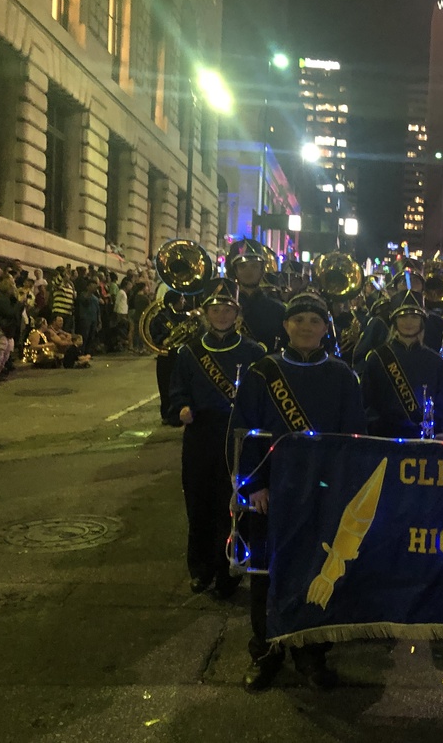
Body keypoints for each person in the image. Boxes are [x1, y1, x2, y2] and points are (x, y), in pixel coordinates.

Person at [230, 291, 366, 692]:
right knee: (265, 572)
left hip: (322, 492)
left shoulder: (343, 374)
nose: (306, 326)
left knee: (316, 571)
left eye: (315, 320)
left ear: (326, 328)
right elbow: (243, 433)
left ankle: (311, 652)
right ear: (286, 325)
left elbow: (352, 438)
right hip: (271, 491)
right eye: (299, 319)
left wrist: (341, 489)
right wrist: (253, 486)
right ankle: (265, 650)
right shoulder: (261, 371)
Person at [170, 278, 265, 601]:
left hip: (239, 435)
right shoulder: (190, 352)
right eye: (216, 309)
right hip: (202, 435)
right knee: (199, 502)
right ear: (206, 313)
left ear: (237, 313)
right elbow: (177, 390)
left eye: (227, 309)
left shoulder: (254, 352)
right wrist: (181, 407)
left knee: (235, 503)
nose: (222, 314)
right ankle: (201, 569)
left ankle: (230, 570)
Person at [361, 289, 443, 439]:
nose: (408, 322)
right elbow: (366, 406)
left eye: (414, 317)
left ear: (422, 322)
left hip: (425, 444)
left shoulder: (435, 361)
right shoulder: (377, 358)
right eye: (403, 316)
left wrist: (438, 431)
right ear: (395, 321)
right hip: (385, 442)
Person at [227, 239, 286, 354]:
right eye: (243, 266)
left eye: (254, 266)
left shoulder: (279, 310)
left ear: (262, 269)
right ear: (235, 271)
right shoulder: (225, 308)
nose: (248, 271)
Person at [150, 290, 188, 425]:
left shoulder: (184, 317)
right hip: (166, 356)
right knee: (166, 385)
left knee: (180, 386)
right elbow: (155, 337)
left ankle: (180, 413)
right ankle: (168, 414)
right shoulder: (160, 318)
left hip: (181, 356)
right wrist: (168, 338)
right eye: (182, 299)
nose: (184, 302)